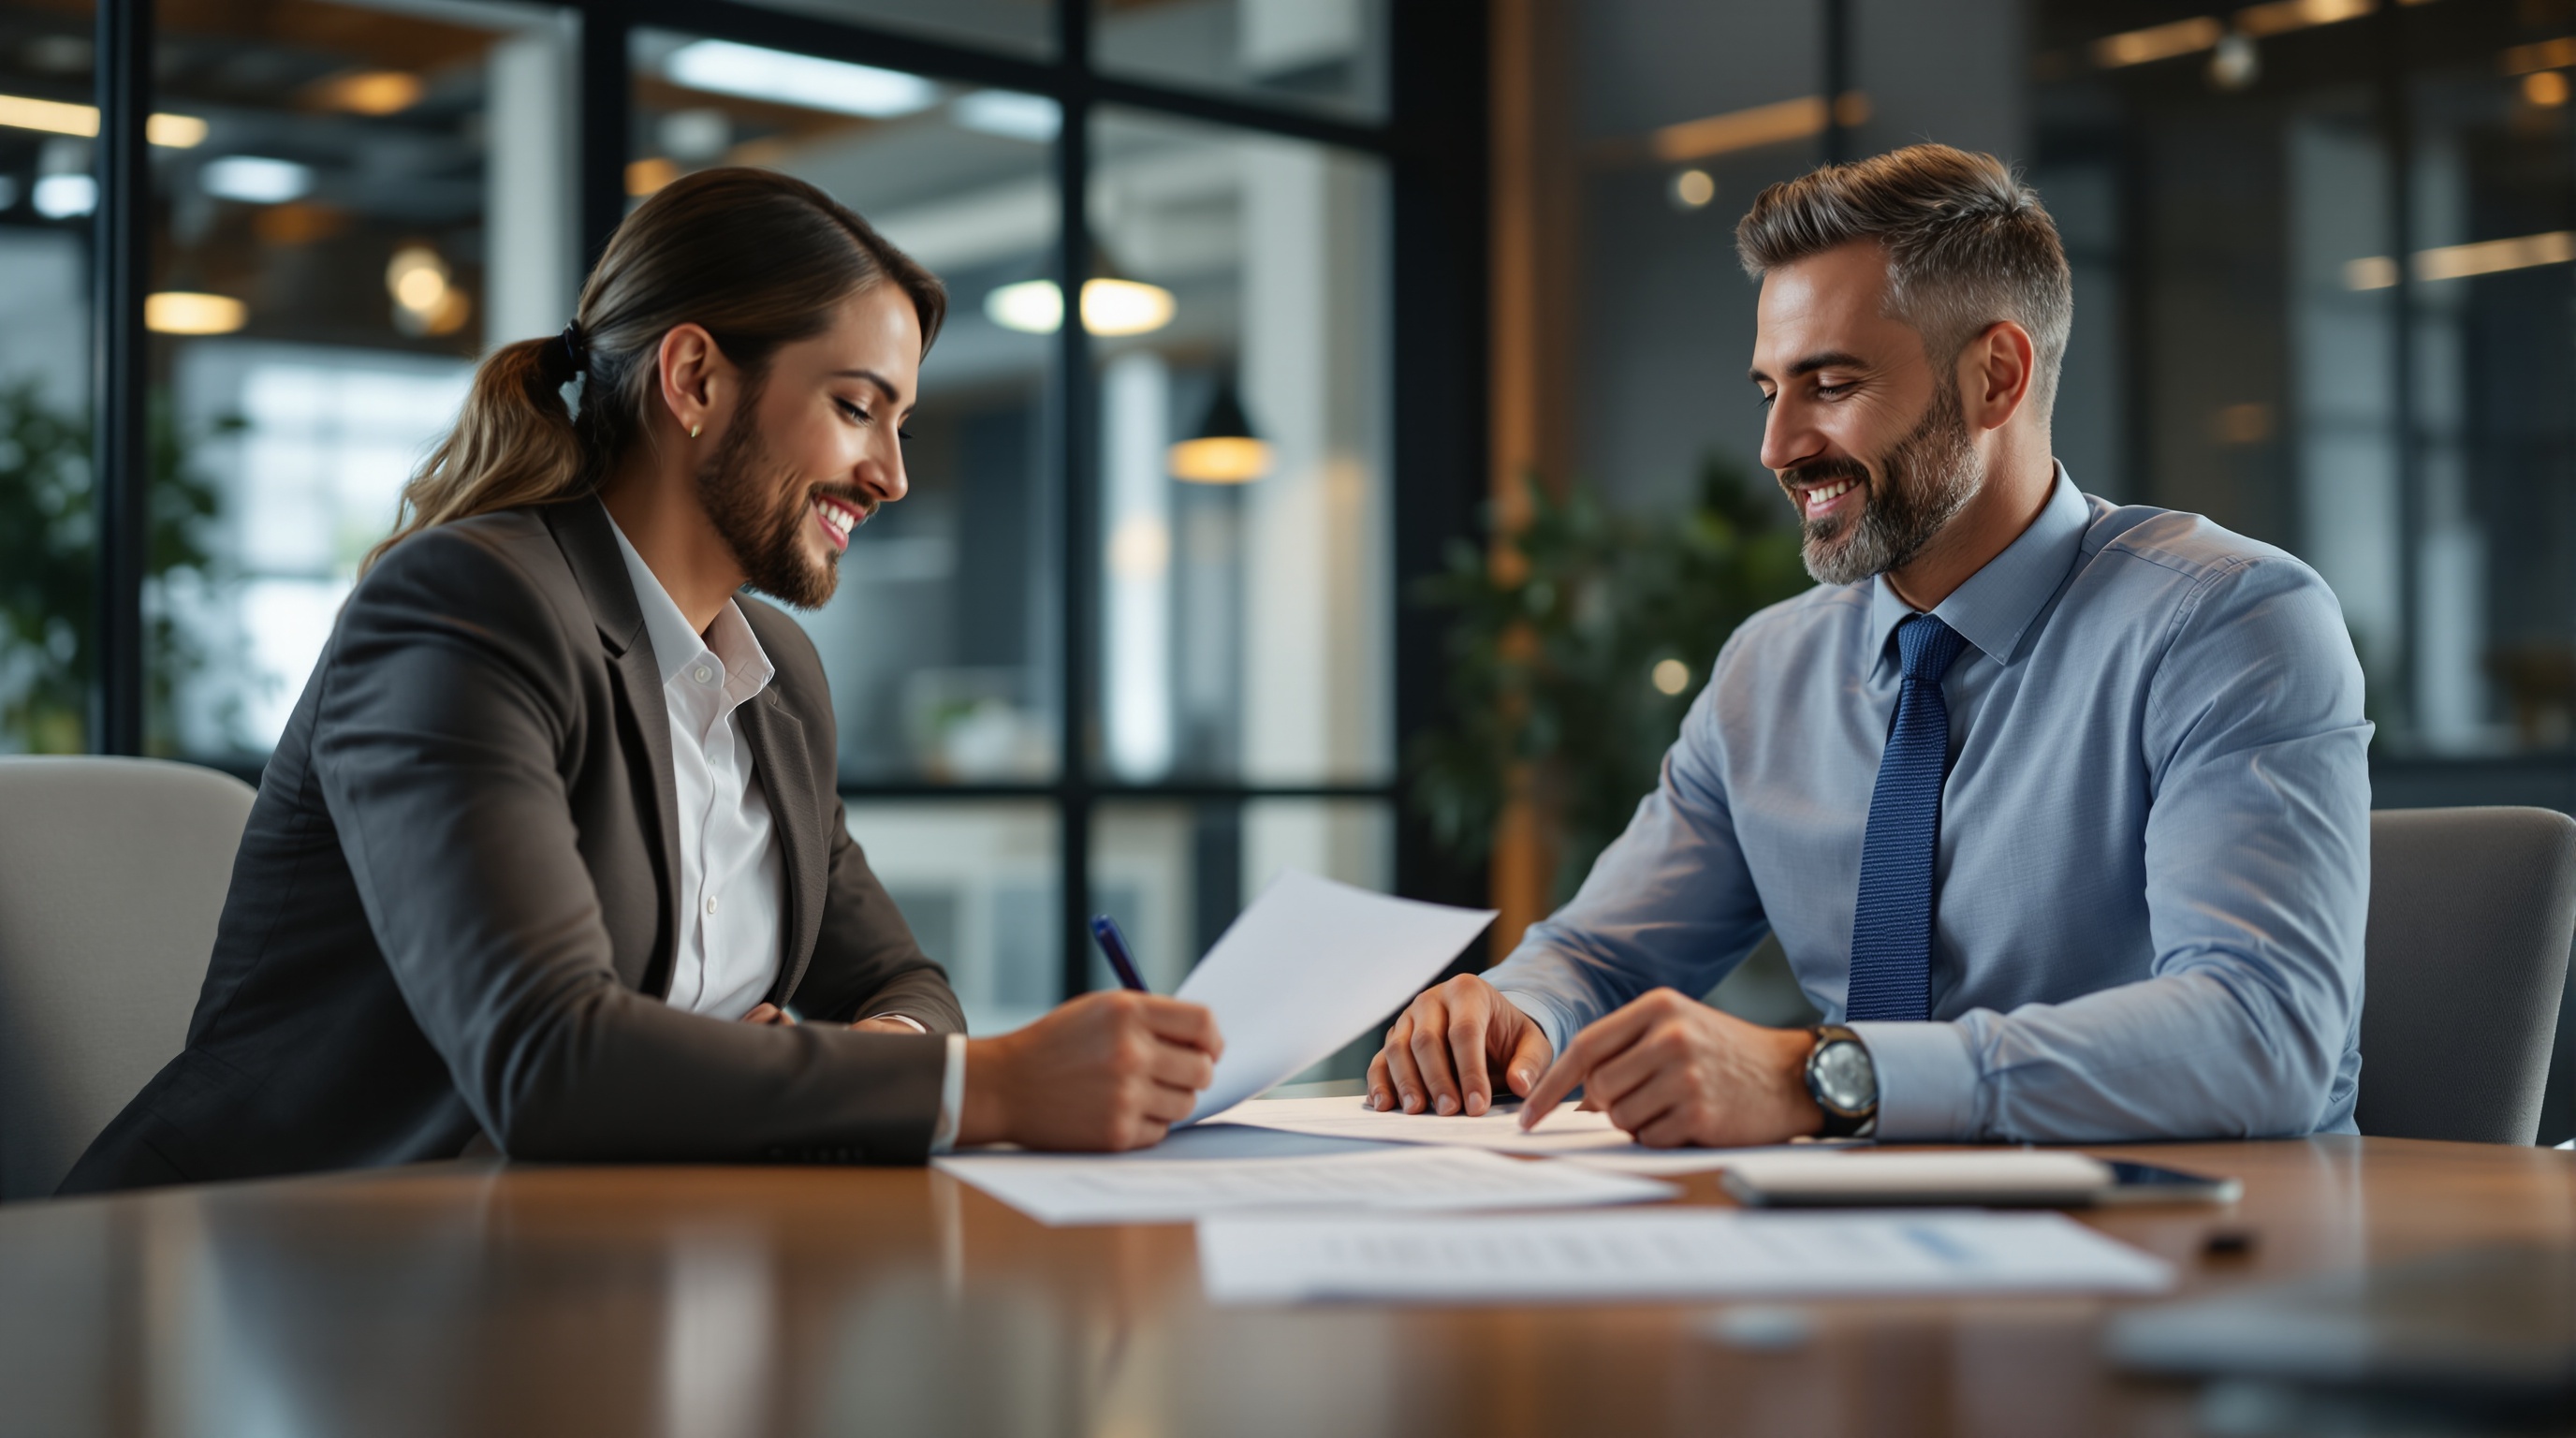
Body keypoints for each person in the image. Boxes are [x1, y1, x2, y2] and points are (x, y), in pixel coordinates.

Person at [64, 169, 1219, 1195]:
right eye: (857, 408)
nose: (892, 474)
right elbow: (546, 1059)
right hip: (271, 1273)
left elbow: (899, 979)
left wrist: (891, 1048)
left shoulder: (777, 681)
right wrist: (995, 1087)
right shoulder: (466, 606)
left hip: (574, 1262)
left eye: (901, 422)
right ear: (695, 378)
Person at [1368, 144, 2369, 1147]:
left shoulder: (2228, 623)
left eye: (1831, 384)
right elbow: (1599, 958)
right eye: (1769, 391)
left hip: (2190, 1249)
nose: (1776, 447)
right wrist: (1515, 1014)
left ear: (1996, 377)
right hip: (1848, 1245)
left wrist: (1828, 1076)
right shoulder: (1767, 672)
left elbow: (2263, 1034)